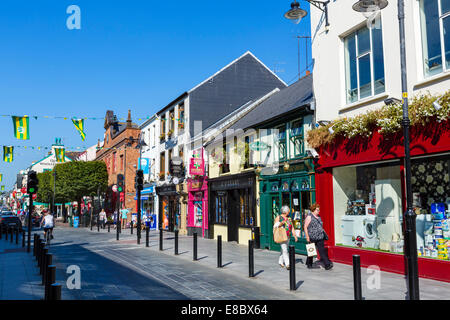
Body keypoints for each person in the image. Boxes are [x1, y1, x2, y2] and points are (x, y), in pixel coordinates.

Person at [304, 203, 333, 270]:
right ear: (313, 210)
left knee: (322, 251)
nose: (318, 211)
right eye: (317, 210)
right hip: (312, 236)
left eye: (318, 210)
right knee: (311, 250)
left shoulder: (319, 216)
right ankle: (309, 263)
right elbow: (305, 227)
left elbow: (320, 226)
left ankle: (327, 264)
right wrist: (307, 236)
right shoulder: (309, 216)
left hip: (320, 237)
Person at [273, 205, 298, 270]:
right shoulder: (279, 217)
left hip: (288, 236)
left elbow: (291, 227)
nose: (289, 212)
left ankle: (280, 261)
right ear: (285, 211)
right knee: (285, 250)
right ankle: (288, 264)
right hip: (281, 235)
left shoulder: (289, 218)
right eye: (288, 211)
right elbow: (275, 226)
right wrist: (281, 223)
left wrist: (295, 235)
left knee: (284, 249)